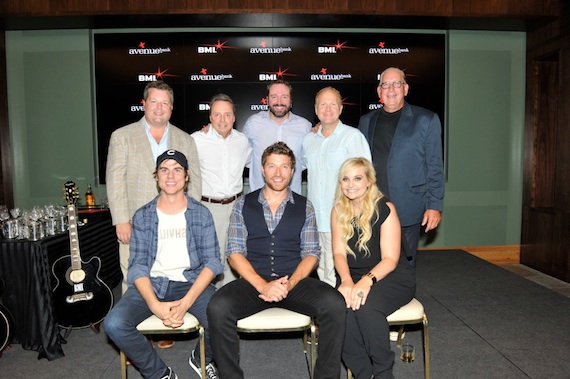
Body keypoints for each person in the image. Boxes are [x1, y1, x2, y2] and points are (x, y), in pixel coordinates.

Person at [207, 142, 346, 379]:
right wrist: (263, 285)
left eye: (284, 167)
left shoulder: (305, 206)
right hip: (254, 281)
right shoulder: (243, 204)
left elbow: (311, 253)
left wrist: (289, 284)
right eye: (272, 166)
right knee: (217, 307)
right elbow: (235, 251)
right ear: (262, 169)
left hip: (295, 281)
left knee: (335, 304)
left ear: (293, 171)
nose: (278, 173)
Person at [103, 150, 223, 379]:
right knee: (114, 324)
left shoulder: (201, 213)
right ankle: (159, 374)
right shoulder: (143, 215)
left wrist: (186, 302)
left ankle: (201, 359)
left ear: (186, 176)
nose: (171, 175)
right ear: (156, 176)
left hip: (190, 283)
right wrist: (155, 305)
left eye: (177, 169)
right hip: (153, 284)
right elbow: (137, 266)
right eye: (164, 170)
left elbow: (213, 263)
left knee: (221, 316)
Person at [106, 80, 202, 297]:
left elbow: (194, 181)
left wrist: (192, 219)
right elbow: (115, 180)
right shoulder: (122, 137)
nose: (159, 108)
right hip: (134, 223)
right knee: (134, 279)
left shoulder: (185, 140)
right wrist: (121, 219)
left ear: (171, 108)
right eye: (154, 101)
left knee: (175, 278)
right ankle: (135, 327)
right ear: (144, 104)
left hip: (175, 225)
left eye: (165, 103)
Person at [331, 157, 415, 379]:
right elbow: (339, 253)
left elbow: (390, 259)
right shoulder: (339, 210)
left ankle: (384, 373)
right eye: (345, 179)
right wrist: (347, 281)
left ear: (369, 181)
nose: (351, 184)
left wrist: (366, 281)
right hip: (353, 275)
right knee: (339, 311)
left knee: (367, 308)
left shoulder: (385, 208)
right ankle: (363, 373)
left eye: (358, 178)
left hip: (390, 276)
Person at [358, 67, 445, 267]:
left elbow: (435, 165)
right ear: (378, 91)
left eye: (396, 83)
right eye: (385, 84)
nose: (391, 89)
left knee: (405, 264)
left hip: (409, 206)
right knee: (374, 262)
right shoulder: (366, 121)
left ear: (405, 88)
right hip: (373, 206)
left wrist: (434, 205)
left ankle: (403, 297)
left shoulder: (427, 120)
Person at [302, 86, 372, 287]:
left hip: (345, 219)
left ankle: (348, 312)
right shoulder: (308, 140)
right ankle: (329, 313)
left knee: (347, 272)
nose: (328, 108)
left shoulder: (353, 137)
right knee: (324, 272)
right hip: (317, 219)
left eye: (333, 104)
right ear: (316, 110)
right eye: (323, 104)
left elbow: (366, 177)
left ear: (341, 109)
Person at [191, 93, 252, 287]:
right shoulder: (196, 140)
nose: (222, 120)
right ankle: (206, 305)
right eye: (217, 114)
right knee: (209, 258)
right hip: (208, 207)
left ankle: (228, 304)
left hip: (236, 206)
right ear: (210, 117)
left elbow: (253, 164)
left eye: (227, 115)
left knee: (234, 255)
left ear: (234, 117)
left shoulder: (242, 141)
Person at [243, 79, 311, 194]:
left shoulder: (305, 127)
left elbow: (306, 161)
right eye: (274, 96)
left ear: (291, 100)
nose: (279, 102)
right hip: (257, 200)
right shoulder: (253, 123)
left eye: (284, 97)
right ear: (267, 100)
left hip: (292, 201)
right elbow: (242, 155)